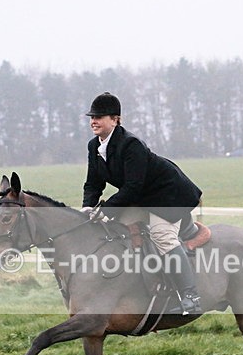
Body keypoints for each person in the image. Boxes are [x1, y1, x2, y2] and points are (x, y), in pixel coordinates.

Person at [81, 92, 203, 314]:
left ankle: (190, 296)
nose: (93, 121)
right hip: (142, 198)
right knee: (110, 228)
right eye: (92, 117)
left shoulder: (131, 144)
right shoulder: (93, 146)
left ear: (115, 119)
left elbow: (133, 186)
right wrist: (88, 207)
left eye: (99, 117)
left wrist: (106, 209)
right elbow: (93, 183)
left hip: (169, 195)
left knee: (162, 236)